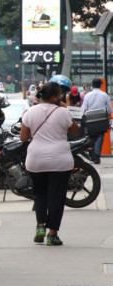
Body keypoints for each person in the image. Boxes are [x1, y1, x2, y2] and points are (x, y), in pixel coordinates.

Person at [20, 82, 79, 246]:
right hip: (60, 160)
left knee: (40, 195)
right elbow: (75, 131)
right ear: (54, 97)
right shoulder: (63, 112)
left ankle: (40, 226)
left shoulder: (30, 112)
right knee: (57, 197)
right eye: (59, 95)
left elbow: (23, 137)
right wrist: (63, 108)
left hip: (36, 159)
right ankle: (52, 234)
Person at [81, 78, 112, 162]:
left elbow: (83, 108)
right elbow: (109, 110)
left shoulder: (87, 95)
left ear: (92, 85)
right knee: (100, 136)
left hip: (90, 118)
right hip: (102, 118)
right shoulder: (105, 95)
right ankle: (96, 154)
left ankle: (91, 150)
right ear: (101, 85)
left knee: (91, 136)